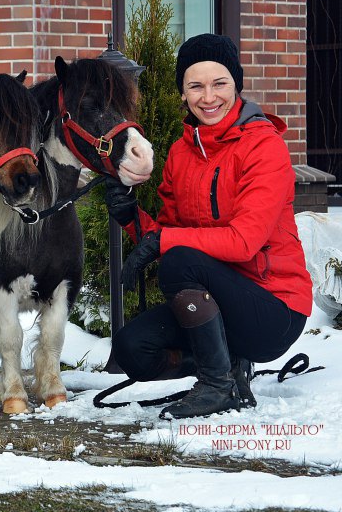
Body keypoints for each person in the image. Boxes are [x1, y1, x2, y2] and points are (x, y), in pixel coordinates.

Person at [105, 33, 313, 420]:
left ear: (237, 85)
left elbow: (244, 241)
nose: (208, 97)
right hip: (217, 305)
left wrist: (162, 241)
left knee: (179, 260)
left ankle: (219, 388)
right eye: (195, 86)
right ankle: (228, 369)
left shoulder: (263, 146)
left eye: (220, 83)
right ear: (182, 93)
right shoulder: (184, 151)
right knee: (133, 347)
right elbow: (168, 230)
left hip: (273, 309)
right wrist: (131, 217)